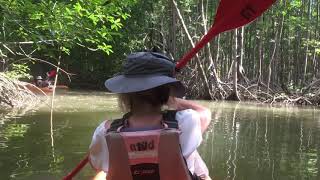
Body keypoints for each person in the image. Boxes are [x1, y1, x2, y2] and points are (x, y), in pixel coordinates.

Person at [89, 52, 212, 180]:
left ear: (125, 94)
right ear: (168, 93)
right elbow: (205, 113)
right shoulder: (186, 122)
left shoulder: (105, 131)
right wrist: (173, 100)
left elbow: (97, 164)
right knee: (193, 158)